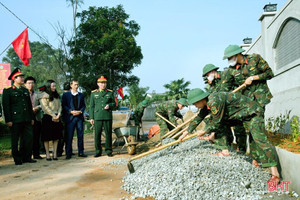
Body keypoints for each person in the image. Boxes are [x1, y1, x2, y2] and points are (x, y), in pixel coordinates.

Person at [180, 88, 280, 183]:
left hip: (253, 113)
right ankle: (227, 151)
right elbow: (199, 117)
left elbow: (216, 121)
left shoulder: (213, 102)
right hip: (243, 116)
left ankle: (275, 173)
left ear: (201, 99)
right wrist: (186, 132)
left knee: (259, 140)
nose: (195, 106)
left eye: (195, 103)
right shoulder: (207, 103)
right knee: (223, 126)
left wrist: (204, 131)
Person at [222, 44, 274, 165]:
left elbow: (269, 73)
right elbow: (225, 88)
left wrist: (254, 77)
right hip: (247, 104)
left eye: (229, 58)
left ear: (236, 55)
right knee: (251, 128)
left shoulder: (255, 59)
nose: (229, 61)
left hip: (260, 99)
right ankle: (255, 158)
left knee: (256, 128)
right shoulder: (231, 71)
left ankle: (261, 160)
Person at [2, 68, 36, 165]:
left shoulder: (25, 90)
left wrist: (32, 118)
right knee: (15, 140)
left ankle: (27, 157)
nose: (22, 78)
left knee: (28, 139)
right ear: (14, 79)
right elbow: (6, 107)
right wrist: (8, 120)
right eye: (20, 77)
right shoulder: (8, 91)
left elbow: (29, 106)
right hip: (15, 120)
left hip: (26, 119)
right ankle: (17, 158)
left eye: (22, 77)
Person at [90, 75, 116, 157]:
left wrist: (109, 105)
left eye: (104, 83)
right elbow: (91, 106)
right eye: (101, 83)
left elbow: (114, 104)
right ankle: (98, 151)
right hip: (97, 116)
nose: (103, 85)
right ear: (98, 84)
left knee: (108, 134)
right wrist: (91, 117)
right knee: (97, 134)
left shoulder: (110, 92)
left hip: (107, 116)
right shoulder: (94, 93)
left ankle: (108, 150)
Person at [62, 80, 87, 159]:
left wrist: (80, 111)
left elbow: (83, 105)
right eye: (75, 85)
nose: (77, 86)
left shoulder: (81, 95)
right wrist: (70, 111)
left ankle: (81, 152)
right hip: (70, 118)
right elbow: (64, 105)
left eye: (77, 85)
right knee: (69, 136)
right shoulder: (66, 95)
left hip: (79, 117)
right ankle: (68, 153)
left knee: (80, 135)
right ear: (71, 85)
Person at [40, 80, 63, 161]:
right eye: (52, 86)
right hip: (48, 118)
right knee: (46, 138)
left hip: (57, 117)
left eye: (55, 86)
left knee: (56, 137)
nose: (54, 87)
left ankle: (55, 153)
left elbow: (60, 106)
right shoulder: (44, 95)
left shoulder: (57, 95)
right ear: (48, 86)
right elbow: (45, 107)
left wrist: (58, 115)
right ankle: (47, 154)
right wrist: (53, 115)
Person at [24, 76, 43, 159]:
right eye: (29, 83)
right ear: (25, 84)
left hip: (36, 117)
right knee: (26, 137)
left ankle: (36, 154)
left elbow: (42, 104)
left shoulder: (38, 94)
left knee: (36, 136)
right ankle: (26, 154)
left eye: (32, 83)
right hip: (26, 118)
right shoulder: (23, 93)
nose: (30, 85)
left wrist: (37, 108)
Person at [57, 81, 71, 157]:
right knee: (65, 135)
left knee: (63, 136)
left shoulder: (60, 95)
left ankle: (61, 151)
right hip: (66, 117)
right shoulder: (68, 95)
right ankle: (65, 151)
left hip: (63, 117)